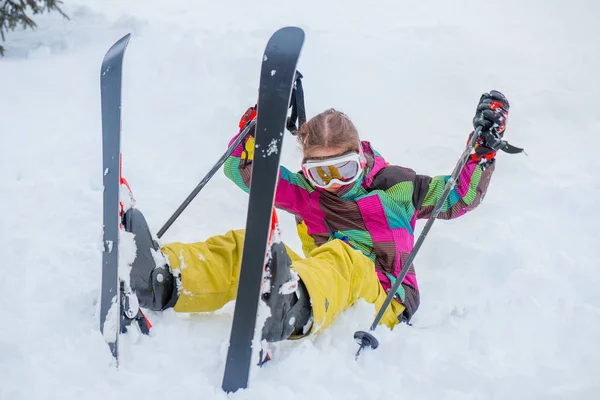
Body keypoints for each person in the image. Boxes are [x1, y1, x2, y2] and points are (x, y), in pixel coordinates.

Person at [123, 90, 510, 342]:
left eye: (343, 170)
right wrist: (260, 126)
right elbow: (243, 171)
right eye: (319, 173)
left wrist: (481, 153)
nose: (332, 185)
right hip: (320, 282)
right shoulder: (310, 194)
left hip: (386, 298)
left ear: (362, 158)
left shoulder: (397, 186)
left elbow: (461, 194)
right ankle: (168, 276)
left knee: (345, 258)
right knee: (252, 243)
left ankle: (295, 306)